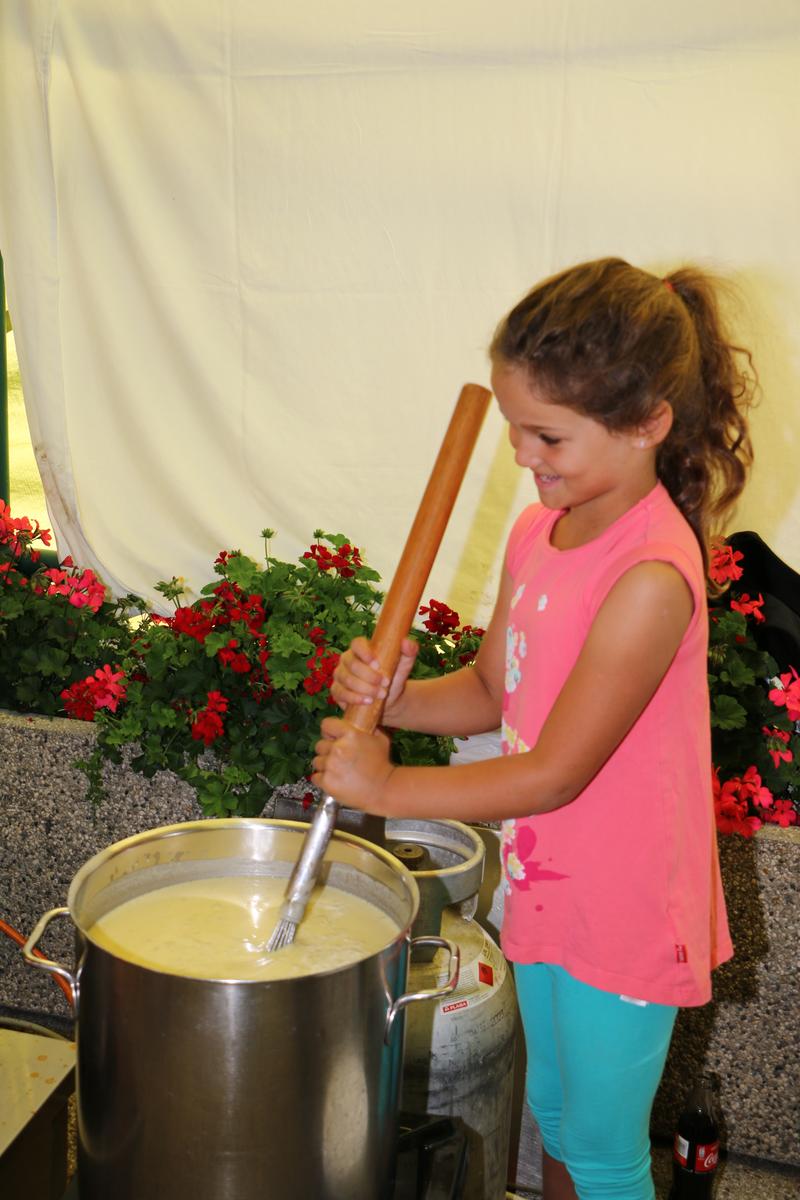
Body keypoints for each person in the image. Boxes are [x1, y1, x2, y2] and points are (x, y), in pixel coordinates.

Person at [311, 257, 756, 1200]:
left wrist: (387, 789)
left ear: (647, 425)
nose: (521, 455)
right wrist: (394, 697)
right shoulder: (538, 533)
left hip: (628, 905)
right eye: (515, 428)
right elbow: (488, 690)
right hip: (550, 882)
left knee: (601, 1151)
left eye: (547, 434)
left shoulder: (648, 578)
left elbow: (554, 771)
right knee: (554, 1116)